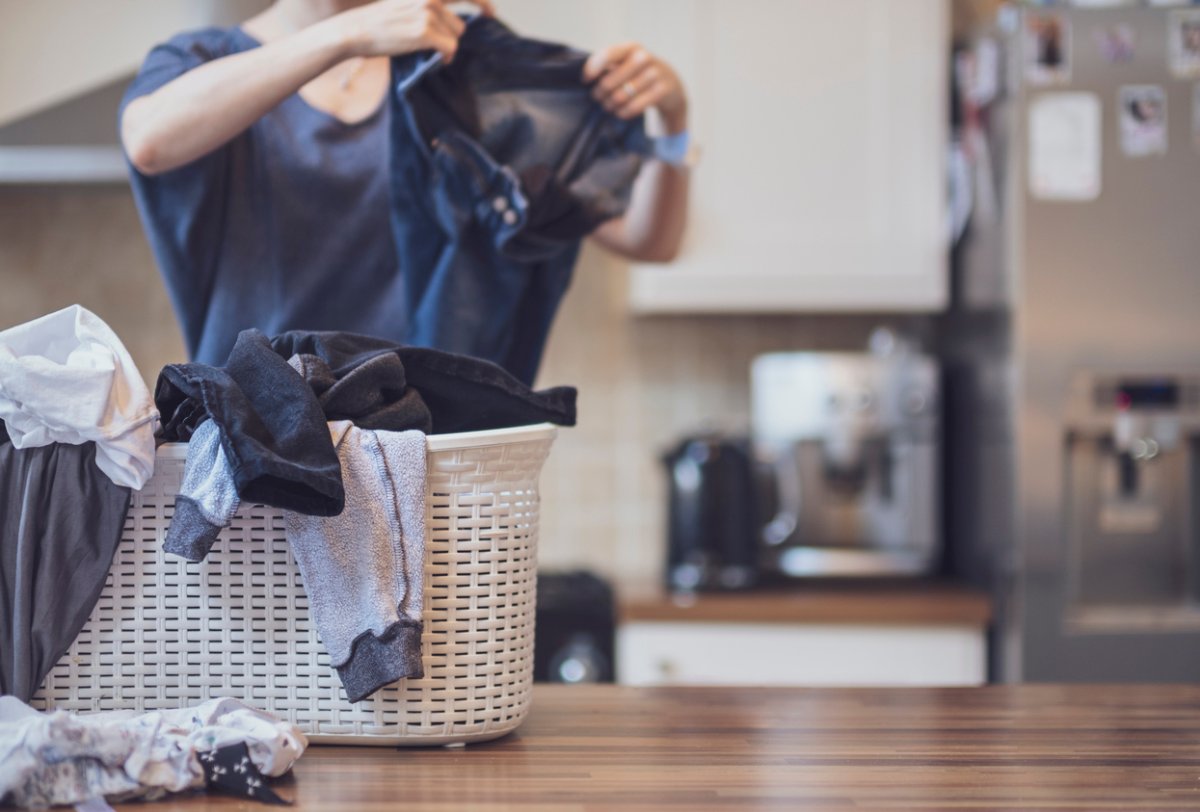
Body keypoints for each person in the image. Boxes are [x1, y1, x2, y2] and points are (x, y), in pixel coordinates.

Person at [120, 0, 691, 370]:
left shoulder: (456, 73)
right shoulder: (203, 60)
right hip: (257, 454)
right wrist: (346, 35)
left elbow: (647, 241)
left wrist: (672, 123)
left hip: (431, 455)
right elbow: (149, 139)